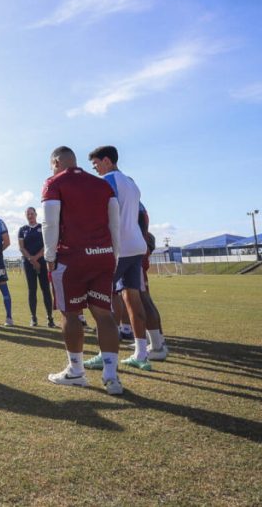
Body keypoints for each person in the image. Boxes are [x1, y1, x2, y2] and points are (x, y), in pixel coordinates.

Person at [41, 146, 124, 395]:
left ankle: (76, 371)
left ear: (56, 161)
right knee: (104, 314)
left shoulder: (54, 182)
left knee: (71, 313)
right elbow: (115, 222)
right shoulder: (102, 184)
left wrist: (49, 255)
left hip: (71, 257)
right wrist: (114, 254)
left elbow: (50, 222)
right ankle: (111, 376)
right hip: (103, 256)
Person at [87, 146, 152, 371]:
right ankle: (141, 353)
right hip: (136, 246)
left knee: (101, 300)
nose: (94, 168)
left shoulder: (108, 181)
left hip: (119, 248)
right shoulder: (131, 183)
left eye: (95, 163)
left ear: (106, 161)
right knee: (133, 299)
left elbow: (101, 214)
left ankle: (105, 355)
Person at [18, 207, 55, 328]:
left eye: (32, 214)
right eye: (28, 214)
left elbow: (47, 245)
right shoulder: (22, 230)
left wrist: (37, 258)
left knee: (45, 290)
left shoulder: (42, 227)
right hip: (28, 264)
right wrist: (31, 259)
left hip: (42, 263)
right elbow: (22, 248)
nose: (30, 216)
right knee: (32, 290)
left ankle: (50, 318)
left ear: (36, 214)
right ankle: (33, 318)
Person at [139, 206, 168, 359]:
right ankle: (156, 341)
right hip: (137, 252)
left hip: (134, 255)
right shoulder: (138, 206)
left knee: (142, 299)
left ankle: (156, 346)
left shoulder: (134, 207)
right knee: (143, 299)